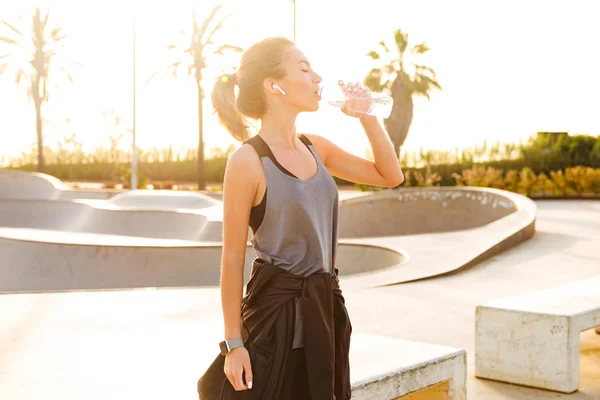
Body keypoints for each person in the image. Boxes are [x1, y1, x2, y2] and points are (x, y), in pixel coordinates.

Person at [197, 36, 403, 400]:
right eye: (304, 69)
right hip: (274, 323)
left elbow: (390, 176)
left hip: (324, 314)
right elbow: (232, 258)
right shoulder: (246, 161)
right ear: (273, 85)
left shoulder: (316, 147)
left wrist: (368, 116)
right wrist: (233, 343)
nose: (317, 78)